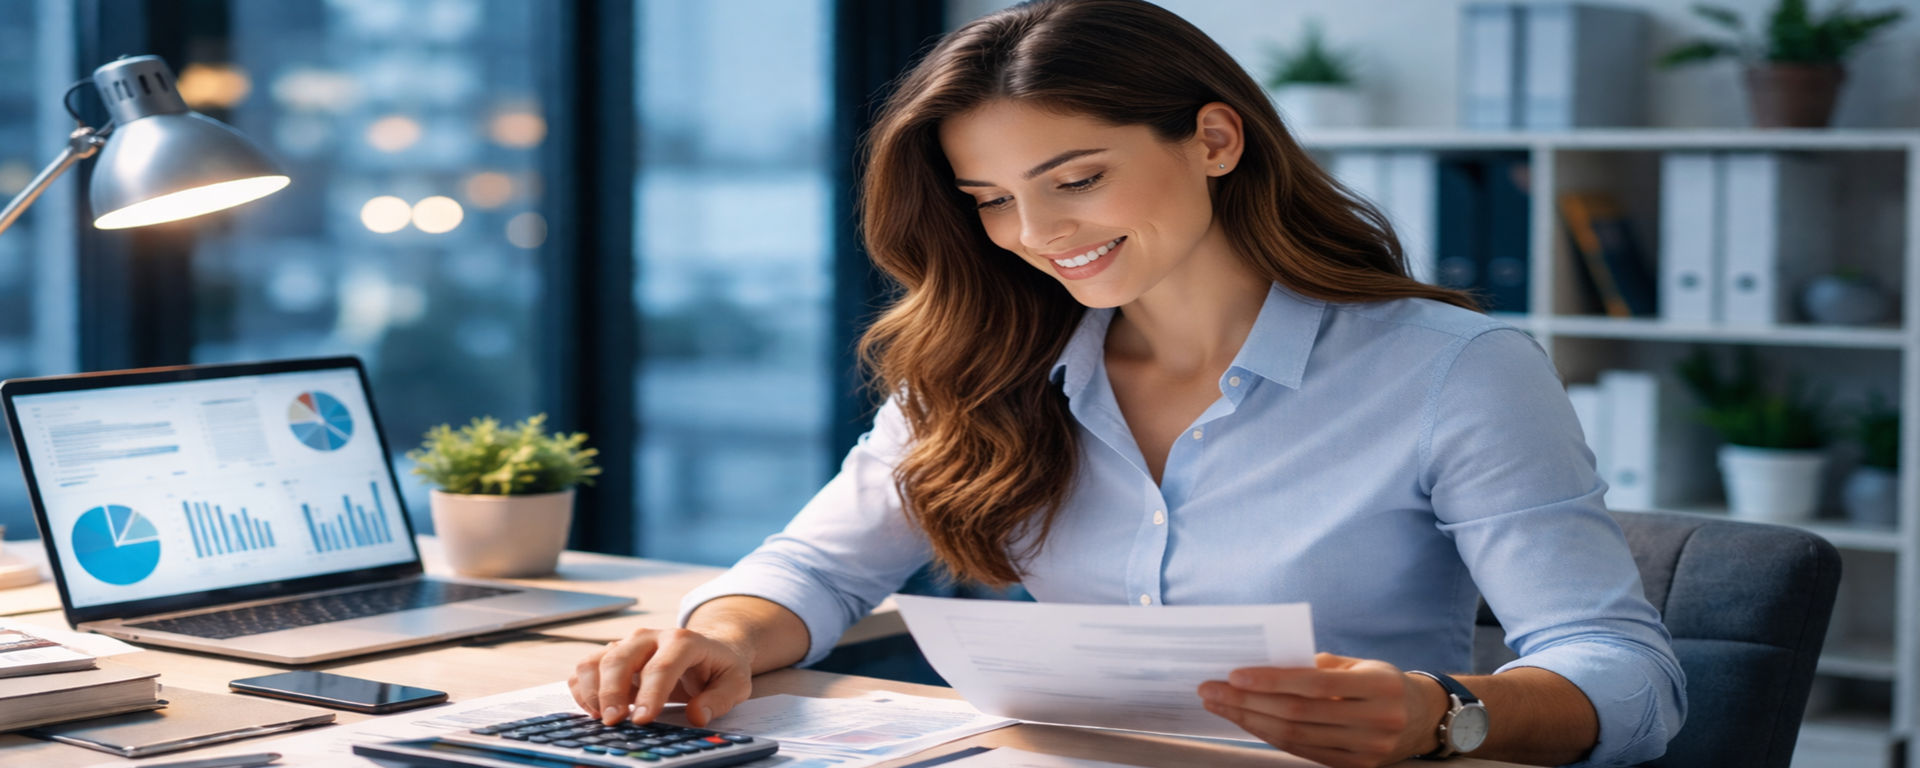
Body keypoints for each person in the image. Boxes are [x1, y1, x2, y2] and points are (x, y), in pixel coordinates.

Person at [568, 1, 1685, 765]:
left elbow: (1628, 677)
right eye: (991, 199)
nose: (1038, 233)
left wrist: (1444, 717)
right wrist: (715, 635)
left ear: (1212, 139)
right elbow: (814, 567)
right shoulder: (984, 360)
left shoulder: (1451, 371)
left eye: (1077, 179)